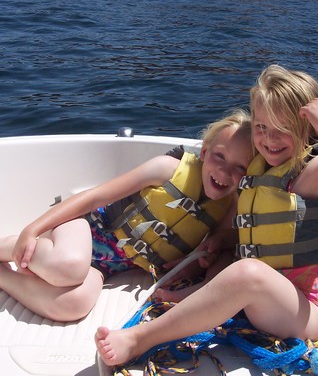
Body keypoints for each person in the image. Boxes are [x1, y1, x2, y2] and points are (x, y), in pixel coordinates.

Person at [95, 64, 318, 367]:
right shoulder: (262, 168)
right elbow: (245, 218)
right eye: (261, 127)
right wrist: (220, 239)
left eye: (283, 129)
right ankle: (197, 297)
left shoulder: (314, 171)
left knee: (248, 273)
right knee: (240, 264)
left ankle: (139, 339)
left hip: (309, 313)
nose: (270, 139)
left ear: (306, 128)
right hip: (267, 302)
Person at [0, 109, 254, 322]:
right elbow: (94, 196)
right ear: (204, 152)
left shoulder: (229, 209)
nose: (224, 170)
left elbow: (213, 252)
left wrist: (192, 274)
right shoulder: (167, 169)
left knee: (73, 305)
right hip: (85, 228)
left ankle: (3, 277)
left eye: (240, 166)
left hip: (108, 266)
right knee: (68, 267)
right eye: (219, 156)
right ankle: (8, 246)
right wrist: (31, 230)